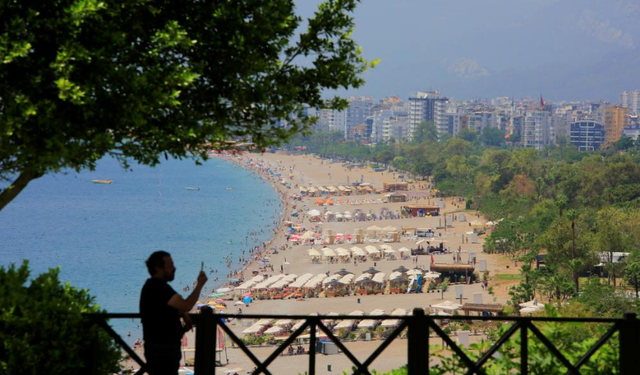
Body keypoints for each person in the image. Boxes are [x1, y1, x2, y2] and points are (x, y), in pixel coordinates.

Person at [140, 251, 207, 375]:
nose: (174, 268)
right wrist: (200, 285)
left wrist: (181, 313)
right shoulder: (160, 288)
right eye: (170, 266)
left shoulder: (152, 286)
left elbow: (165, 308)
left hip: (158, 348)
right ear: (158, 268)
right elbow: (187, 305)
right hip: (162, 350)